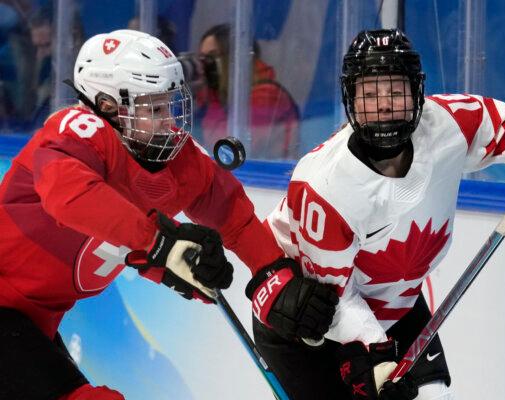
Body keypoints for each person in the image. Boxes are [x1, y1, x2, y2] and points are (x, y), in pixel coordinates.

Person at [245, 29, 505, 400]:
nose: (384, 105)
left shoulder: (445, 123)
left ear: (417, 93)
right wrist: (379, 361)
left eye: (395, 91)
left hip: (395, 300)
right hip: (311, 324)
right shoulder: (324, 186)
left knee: (433, 395)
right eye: (370, 94)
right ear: (350, 101)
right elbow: (335, 300)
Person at [0, 29, 337, 399]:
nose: (168, 121)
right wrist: (162, 244)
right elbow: (70, 196)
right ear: (107, 105)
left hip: (31, 323)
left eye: (169, 105)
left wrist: (273, 275)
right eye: (152, 108)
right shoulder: (77, 133)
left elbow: (232, 216)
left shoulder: (169, 156)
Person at [195, 23, 300, 159]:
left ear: (233, 59)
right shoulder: (227, 97)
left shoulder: (267, 95)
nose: (205, 67)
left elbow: (225, 148)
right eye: (202, 59)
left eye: (211, 58)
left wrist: (211, 96)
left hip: (269, 176)